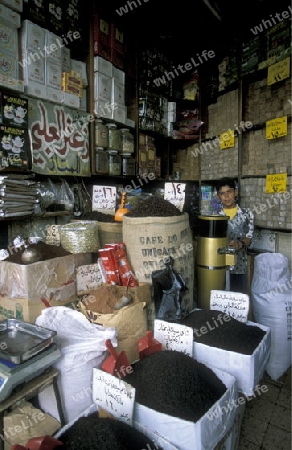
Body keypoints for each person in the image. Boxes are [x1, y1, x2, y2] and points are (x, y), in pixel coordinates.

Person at [216, 177, 254, 293]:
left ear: (235, 192)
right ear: (219, 197)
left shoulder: (247, 214)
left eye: (229, 192)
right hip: (219, 267)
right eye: (222, 194)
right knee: (221, 302)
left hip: (239, 267)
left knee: (237, 302)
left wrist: (240, 243)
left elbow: (249, 237)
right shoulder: (215, 217)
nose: (226, 196)